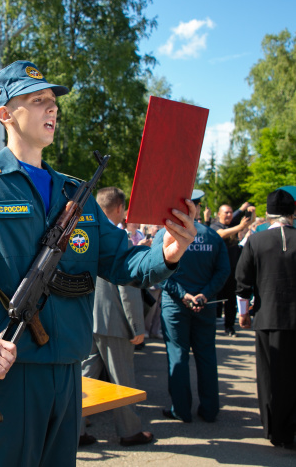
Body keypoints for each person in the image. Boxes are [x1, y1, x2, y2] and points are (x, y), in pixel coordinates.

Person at [0, 60, 197, 466]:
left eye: (53, 101)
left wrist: (168, 251)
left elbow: (122, 261)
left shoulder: (73, 190)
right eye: (38, 100)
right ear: (5, 114)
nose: (52, 108)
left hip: (68, 370)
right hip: (10, 370)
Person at [236, 189, 296, 448]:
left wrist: (243, 312)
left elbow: (242, 281)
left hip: (269, 319)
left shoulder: (255, 242)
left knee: (274, 377)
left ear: (268, 214)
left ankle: (279, 433)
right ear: (294, 213)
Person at [79, 186, 153, 447]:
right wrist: (137, 326)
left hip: (87, 318)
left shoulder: (84, 231)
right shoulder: (118, 236)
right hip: (113, 321)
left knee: (84, 377)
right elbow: (128, 287)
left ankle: (75, 431)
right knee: (123, 380)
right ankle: (129, 431)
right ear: (120, 208)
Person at [157, 189, 230, 423]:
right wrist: (203, 295)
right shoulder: (212, 236)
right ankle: (210, 409)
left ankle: (181, 409)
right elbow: (223, 271)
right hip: (204, 305)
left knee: (178, 356)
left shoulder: (164, 234)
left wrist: (183, 294)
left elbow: (156, 271)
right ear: (197, 208)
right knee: (206, 355)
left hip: (176, 306)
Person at [210, 201, 254, 336]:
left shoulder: (235, 225)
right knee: (213, 299)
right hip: (217, 270)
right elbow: (221, 234)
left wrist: (251, 211)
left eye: (230, 212)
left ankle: (229, 327)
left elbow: (248, 222)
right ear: (219, 214)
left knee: (230, 300)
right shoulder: (215, 225)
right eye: (226, 212)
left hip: (232, 269)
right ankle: (210, 327)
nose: (229, 215)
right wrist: (240, 226)